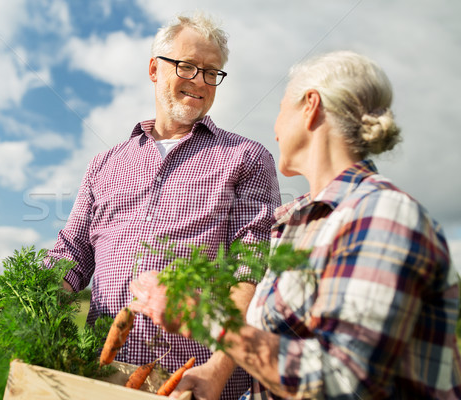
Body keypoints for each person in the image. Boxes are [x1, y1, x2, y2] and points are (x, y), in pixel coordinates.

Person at [130, 50, 461, 399]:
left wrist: (205, 318)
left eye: (281, 108)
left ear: (310, 107)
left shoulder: (382, 214)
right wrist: (217, 376)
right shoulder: (296, 224)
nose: (274, 128)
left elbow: (343, 381)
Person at [46, 11, 281, 400]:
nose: (200, 82)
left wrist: (217, 371)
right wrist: (33, 300)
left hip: (193, 382)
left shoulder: (246, 158)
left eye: (212, 73)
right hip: (100, 377)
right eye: (187, 67)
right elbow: (73, 252)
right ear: (155, 69)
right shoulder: (105, 164)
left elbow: (250, 271)